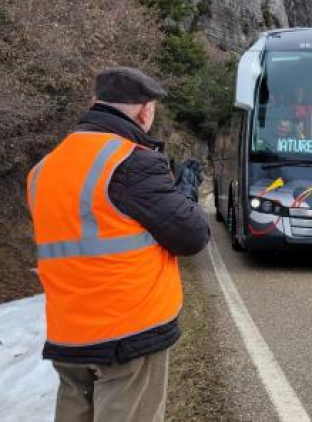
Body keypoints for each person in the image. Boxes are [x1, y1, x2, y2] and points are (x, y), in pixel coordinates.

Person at [26, 67, 210, 421]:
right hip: (128, 336)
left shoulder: (44, 169)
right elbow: (192, 236)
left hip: (69, 335)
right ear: (145, 111)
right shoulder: (131, 161)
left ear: (95, 101)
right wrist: (185, 193)